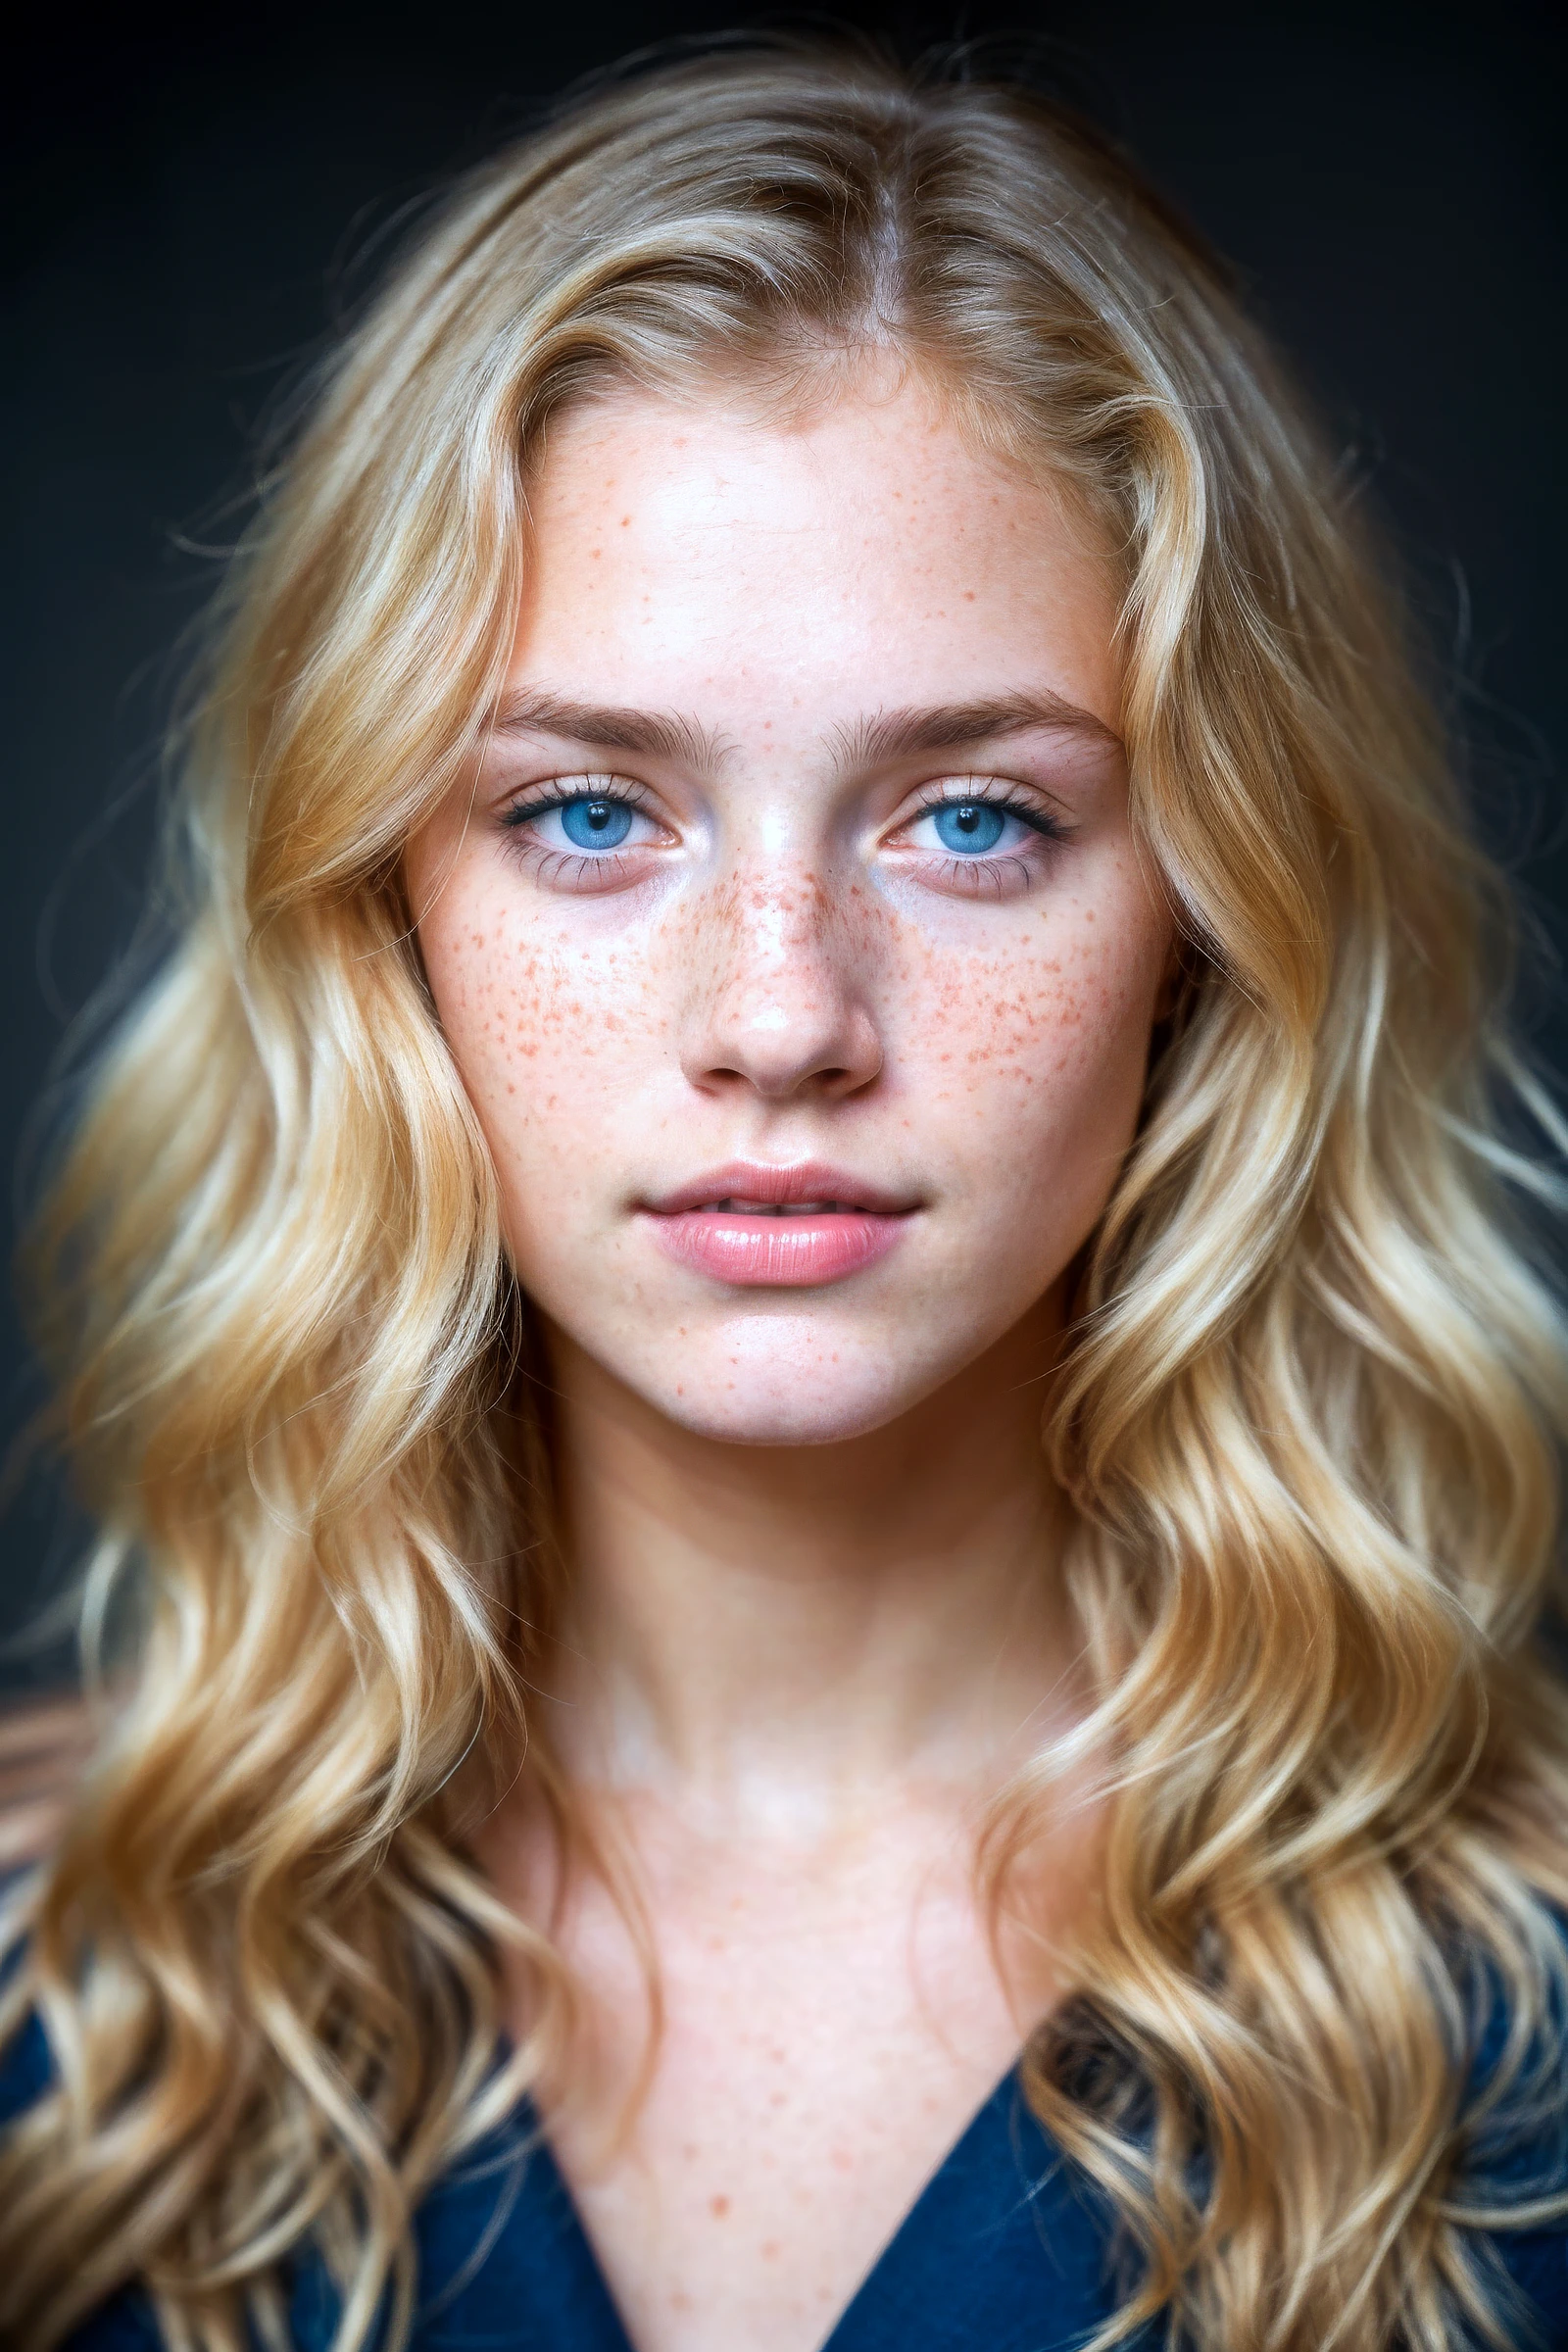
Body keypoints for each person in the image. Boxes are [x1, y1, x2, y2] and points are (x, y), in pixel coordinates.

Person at [2, 37, 1567, 2352]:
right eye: (587, 815)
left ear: (1202, 925)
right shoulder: (63, 1963)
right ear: (384, 911)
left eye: (969, 821)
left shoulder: (1522, 1994)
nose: (779, 1018)